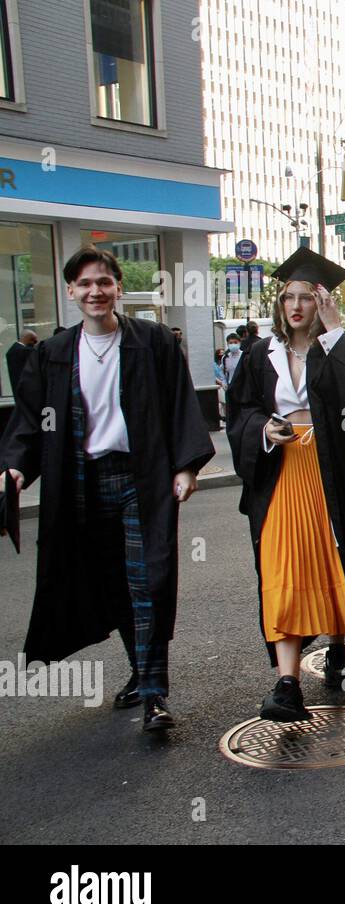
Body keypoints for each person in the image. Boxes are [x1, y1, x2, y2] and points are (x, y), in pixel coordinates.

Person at [0, 247, 214, 731]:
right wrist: (14, 468)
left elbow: (180, 403)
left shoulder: (153, 342)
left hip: (141, 476)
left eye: (104, 282)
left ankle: (156, 694)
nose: (95, 291)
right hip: (78, 479)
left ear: (118, 288)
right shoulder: (53, 354)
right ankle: (140, 671)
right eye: (84, 283)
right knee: (111, 582)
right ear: (71, 292)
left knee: (149, 580)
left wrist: (187, 466)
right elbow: (30, 422)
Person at [225, 247, 345, 722]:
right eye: (288, 297)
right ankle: (287, 684)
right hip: (279, 470)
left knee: (330, 560)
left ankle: (336, 646)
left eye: (306, 298)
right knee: (281, 568)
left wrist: (335, 332)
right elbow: (241, 411)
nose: (295, 306)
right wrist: (262, 431)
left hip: (327, 470)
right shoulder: (258, 355)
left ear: (321, 303)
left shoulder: (333, 350)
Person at [6, 328, 37, 393]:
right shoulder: (25, 351)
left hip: (17, 387)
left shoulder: (12, 349)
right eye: (34, 341)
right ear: (27, 338)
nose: (34, 344)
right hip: (28, 390)